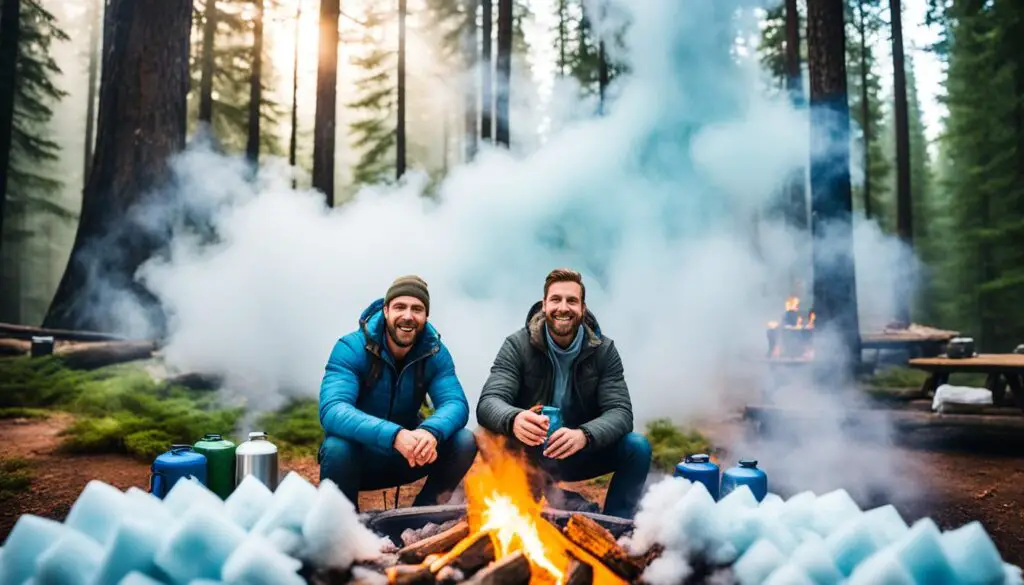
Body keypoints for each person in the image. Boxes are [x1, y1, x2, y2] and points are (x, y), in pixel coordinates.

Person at [476, 268, 652, 518]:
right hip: (531, 454)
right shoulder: (517, 345)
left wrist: (585, 434)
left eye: (572, 300)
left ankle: (616, 524)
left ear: (582, 308)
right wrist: (514, 419)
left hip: (579, 450)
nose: (563, 307)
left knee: (637, 447)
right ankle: (531, 501)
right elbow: (489, 401)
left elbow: (621, 412)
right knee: (485, 433)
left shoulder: (604, 351)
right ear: (544, 305)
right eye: (556, 299)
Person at [318, 275, 477, 508]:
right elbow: (333, 410)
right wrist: (394, 435)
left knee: (464, 441)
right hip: (359, 461)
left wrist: (430, 432)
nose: (408, 316)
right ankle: (344, 528)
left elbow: (455, 403)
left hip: (409, 457)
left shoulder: (435, 352)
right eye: (400, 307)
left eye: (417, 309)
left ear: (426, 316)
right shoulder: (350, 348)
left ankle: (422, 517)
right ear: (385, 311)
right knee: (337, 448)